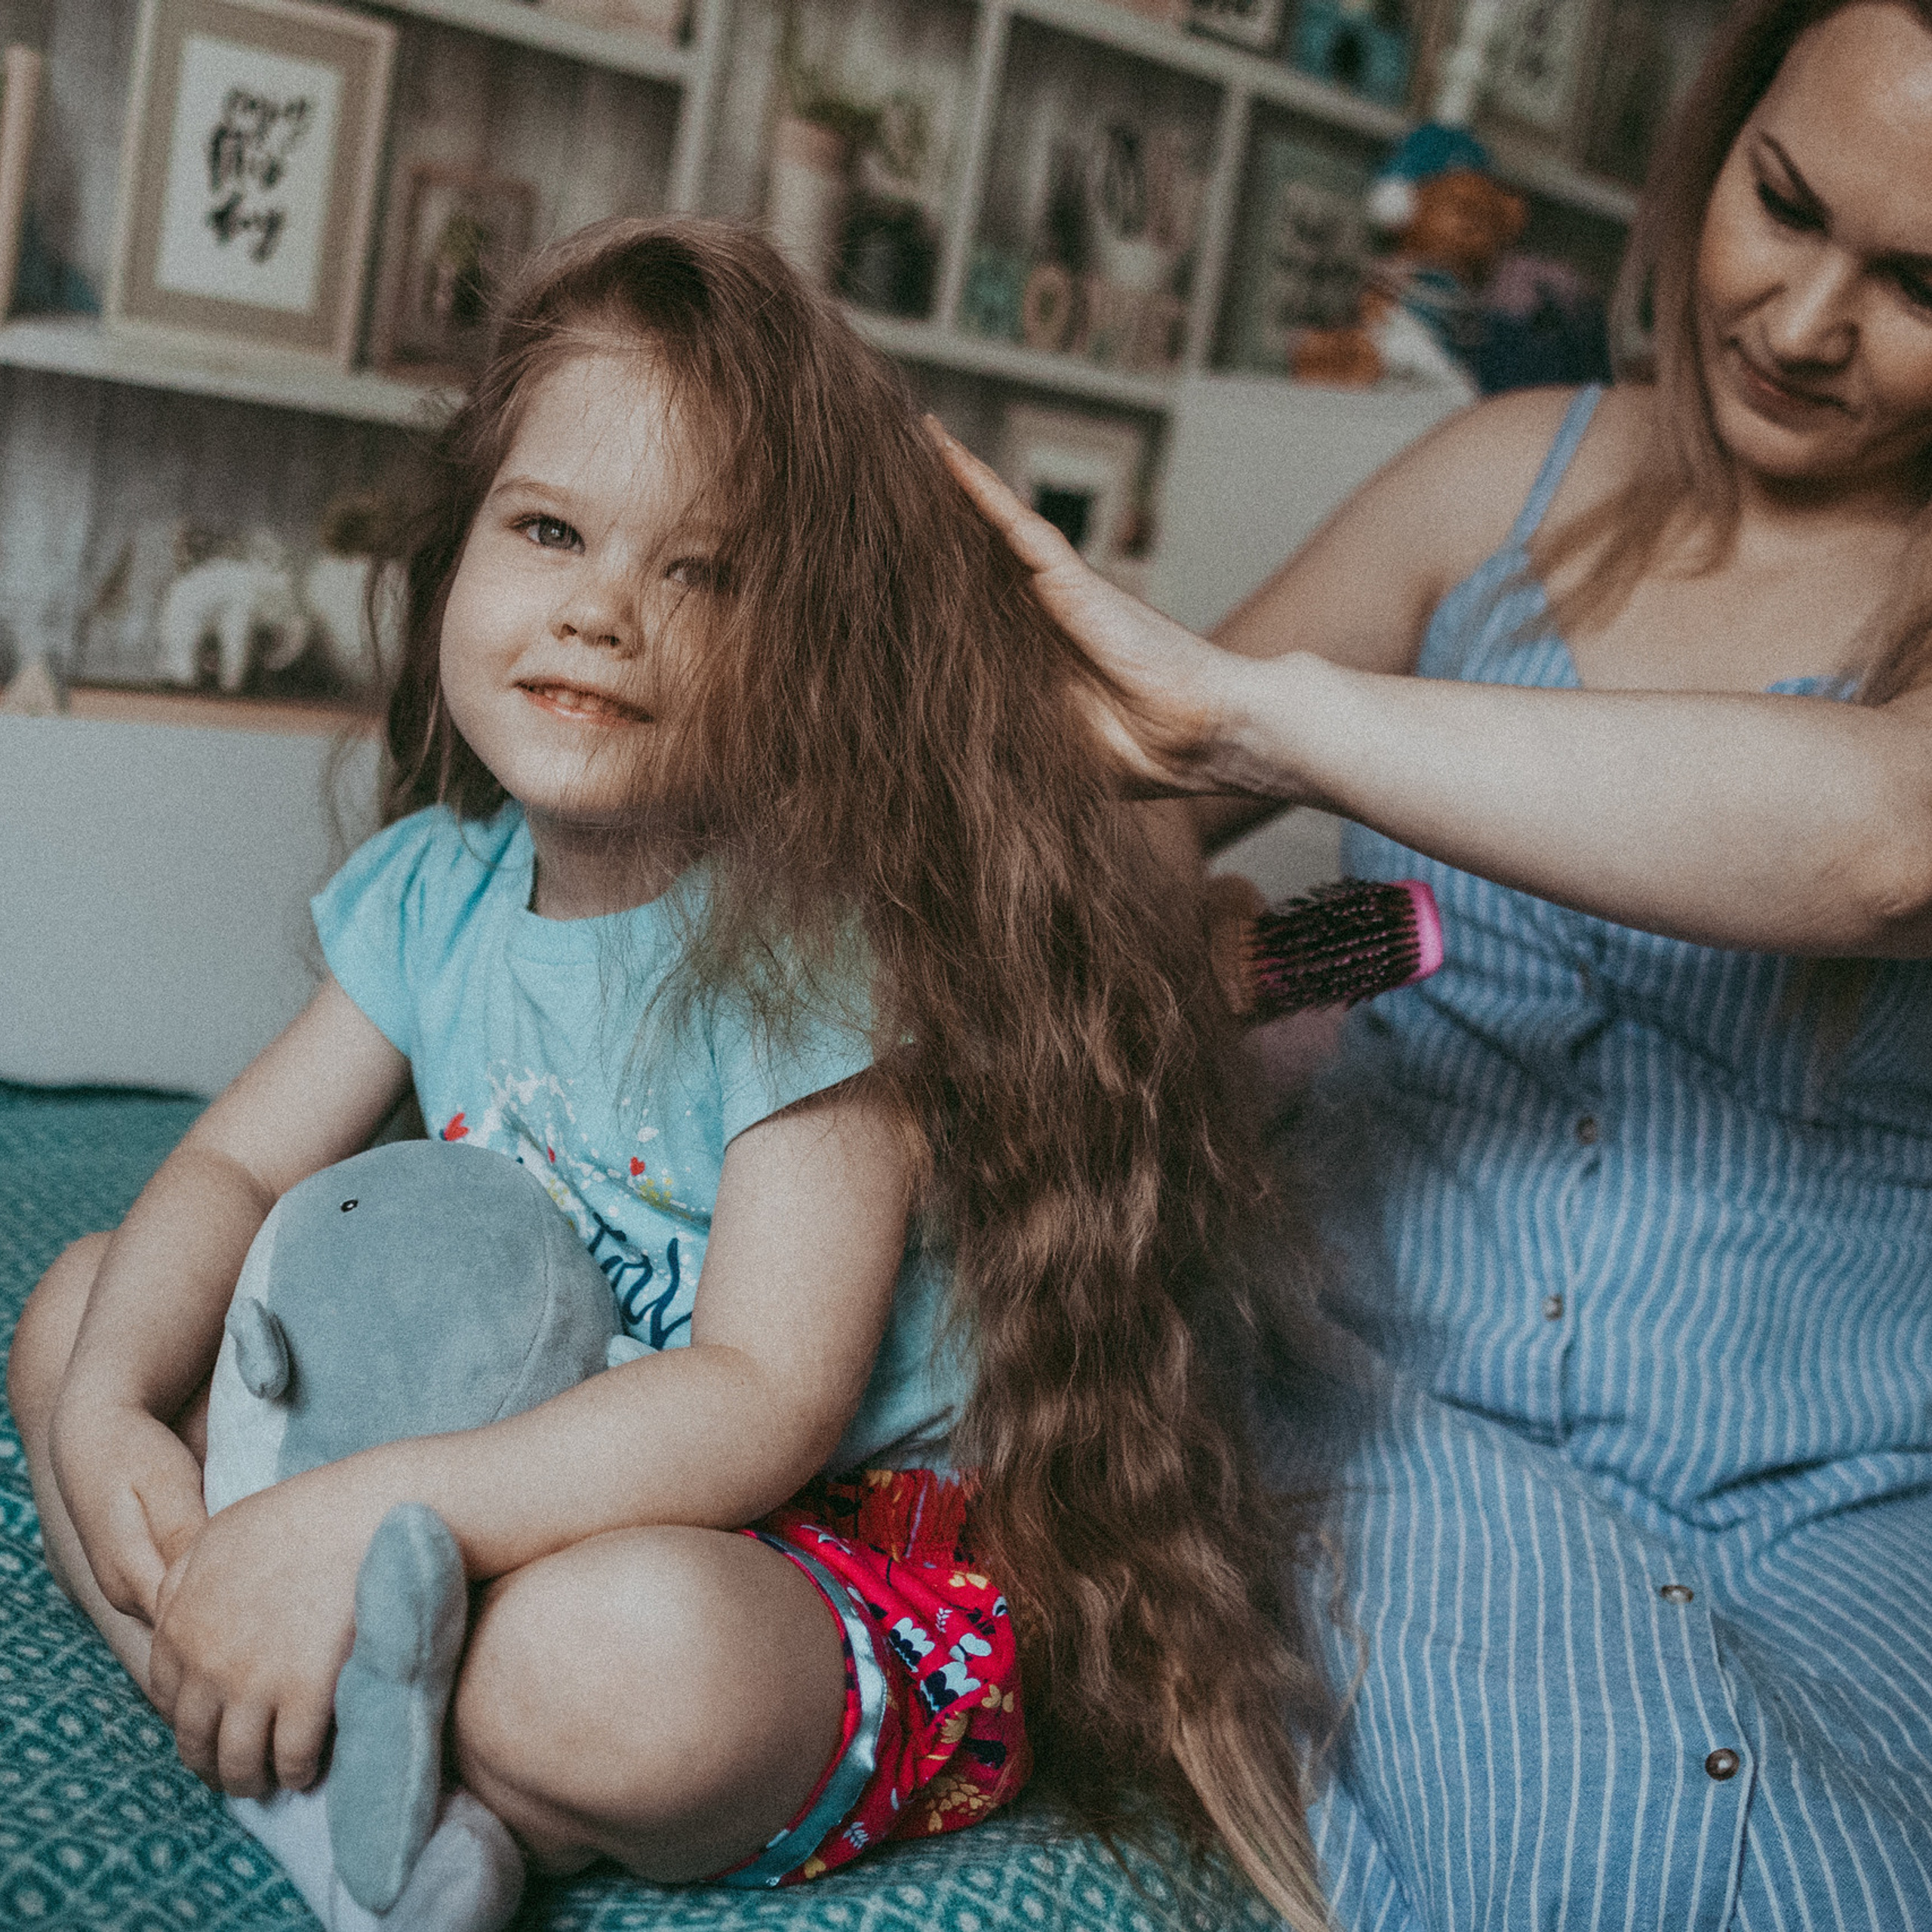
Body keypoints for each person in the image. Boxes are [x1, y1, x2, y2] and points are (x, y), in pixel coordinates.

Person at [6, 221, 1334, 1930]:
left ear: (816, 660)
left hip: (798, 1542)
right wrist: (121, 1403)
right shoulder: (441, 883)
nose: (602, 611)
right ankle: (274, 1703)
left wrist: (362, 1509)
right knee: (70, 1313)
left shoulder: (815, 953)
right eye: (549, 527)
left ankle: (374, 1714)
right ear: (460, 545)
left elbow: (762, 1394)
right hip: (497, 1471)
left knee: (611, 1662)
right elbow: (237, 1172)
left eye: (704, 574)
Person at [937, 2, 1932, 1924]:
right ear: (1710, 145)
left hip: (1853, 1477)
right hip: (1405, 1388)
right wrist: (1216, 957)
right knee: (1585, 1806)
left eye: (1920, 281)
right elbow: (1193, 819)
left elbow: (1882, 848)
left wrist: (1284, 723)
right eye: (1779, 204)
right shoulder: (1498, 473)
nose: (1803, 323)